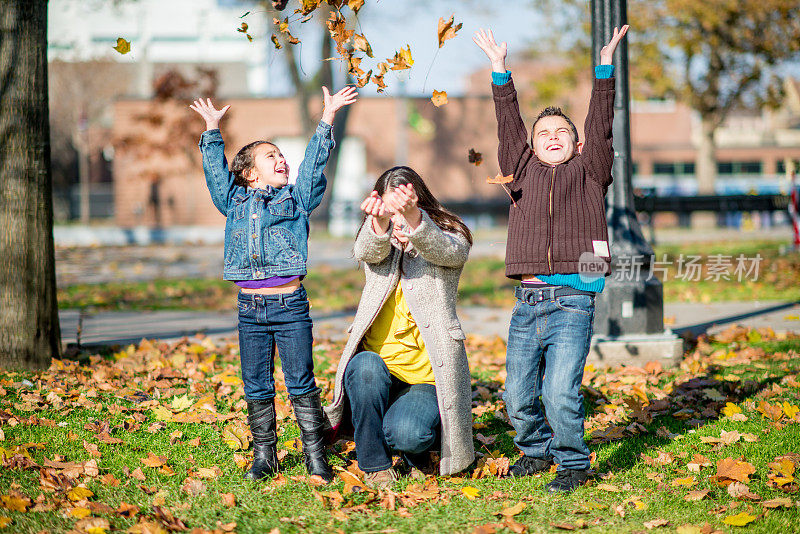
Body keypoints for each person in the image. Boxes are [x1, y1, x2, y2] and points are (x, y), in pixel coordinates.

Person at [473, 25, 629, 493]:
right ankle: (536, 452)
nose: (552, 136)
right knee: (518, 396)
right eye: (543, 133)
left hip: (573, 302)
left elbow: (600, 124)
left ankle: (573, 462)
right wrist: (500, 71)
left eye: (562, 131)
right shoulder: (519, 171)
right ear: (532, 146)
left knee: (559, 391)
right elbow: (508, 124)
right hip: (528, 302)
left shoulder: (590, 169)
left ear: (578, 145)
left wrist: (604, 70)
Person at [189, 86, 358, 482]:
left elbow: (314, 167)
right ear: (249, 174)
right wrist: (212, 130)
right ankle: (265, 455)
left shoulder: (296, 200)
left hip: (290, 306)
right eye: (272, 157)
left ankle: (315, 453)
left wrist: (327, 119)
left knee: (300, 381)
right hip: (250, 310)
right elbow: (216, 173)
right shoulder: (233, 202)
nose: (282, 160)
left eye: (282, 156)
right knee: (257, 383)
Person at [323, 166, 475, 489]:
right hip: (377, 368)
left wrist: (417, 222)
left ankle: (408, 439)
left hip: (424, 377)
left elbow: (450, 251)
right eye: (391, 213)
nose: (398, 220)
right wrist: (379, 224)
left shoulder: (447, 233)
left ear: (419, 202)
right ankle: (374, 463)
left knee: (409, 434)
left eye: (403, 210)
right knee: (364, 368)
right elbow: (366, 250)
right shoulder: (380, 240)